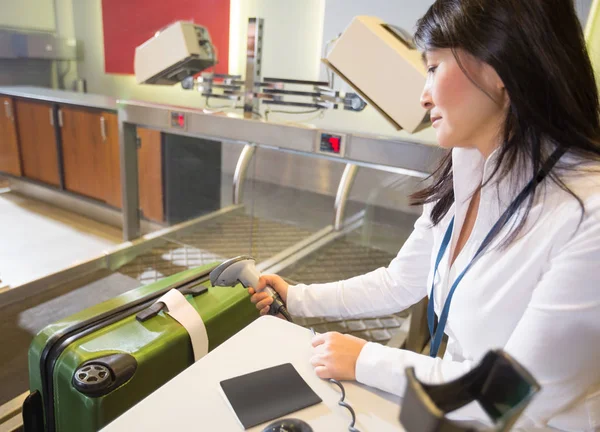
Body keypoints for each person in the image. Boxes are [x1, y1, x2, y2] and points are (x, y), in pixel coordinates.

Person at [249, 0, 600, 429]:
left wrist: (365, 359)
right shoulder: (467, 168)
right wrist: (298, 296)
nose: (423, 94)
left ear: (498, 70)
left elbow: (513, 393)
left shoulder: (588, 210)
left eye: (434, 67)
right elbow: (401, 282)